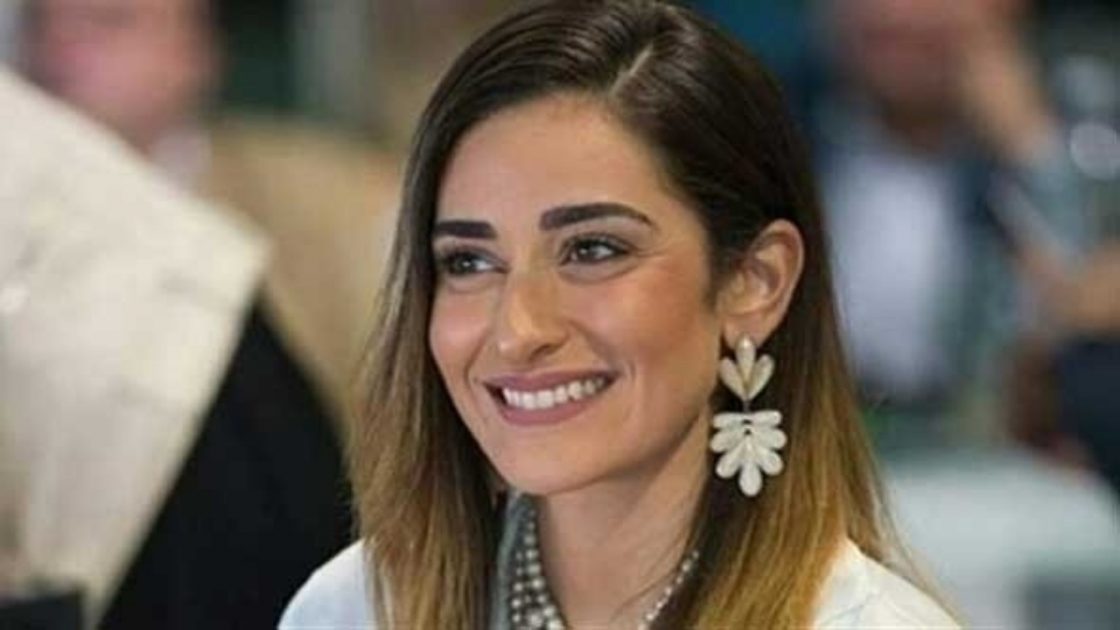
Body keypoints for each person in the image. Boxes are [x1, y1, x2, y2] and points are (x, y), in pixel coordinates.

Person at [280, 1, 958, 628]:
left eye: (593, 250)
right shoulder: (351, 612)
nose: (518, 331)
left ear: (755, 282)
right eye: (468, 261)